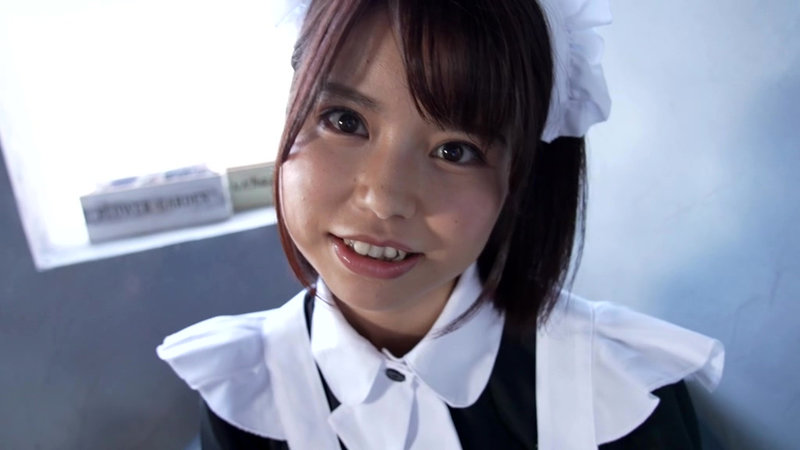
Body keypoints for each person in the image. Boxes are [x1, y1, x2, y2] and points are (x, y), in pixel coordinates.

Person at [157, 0, 724, 448]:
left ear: (519, 182)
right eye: (344, 120)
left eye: (456, 151)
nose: (384, 198)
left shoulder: (623, 393)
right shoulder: (245, 390)